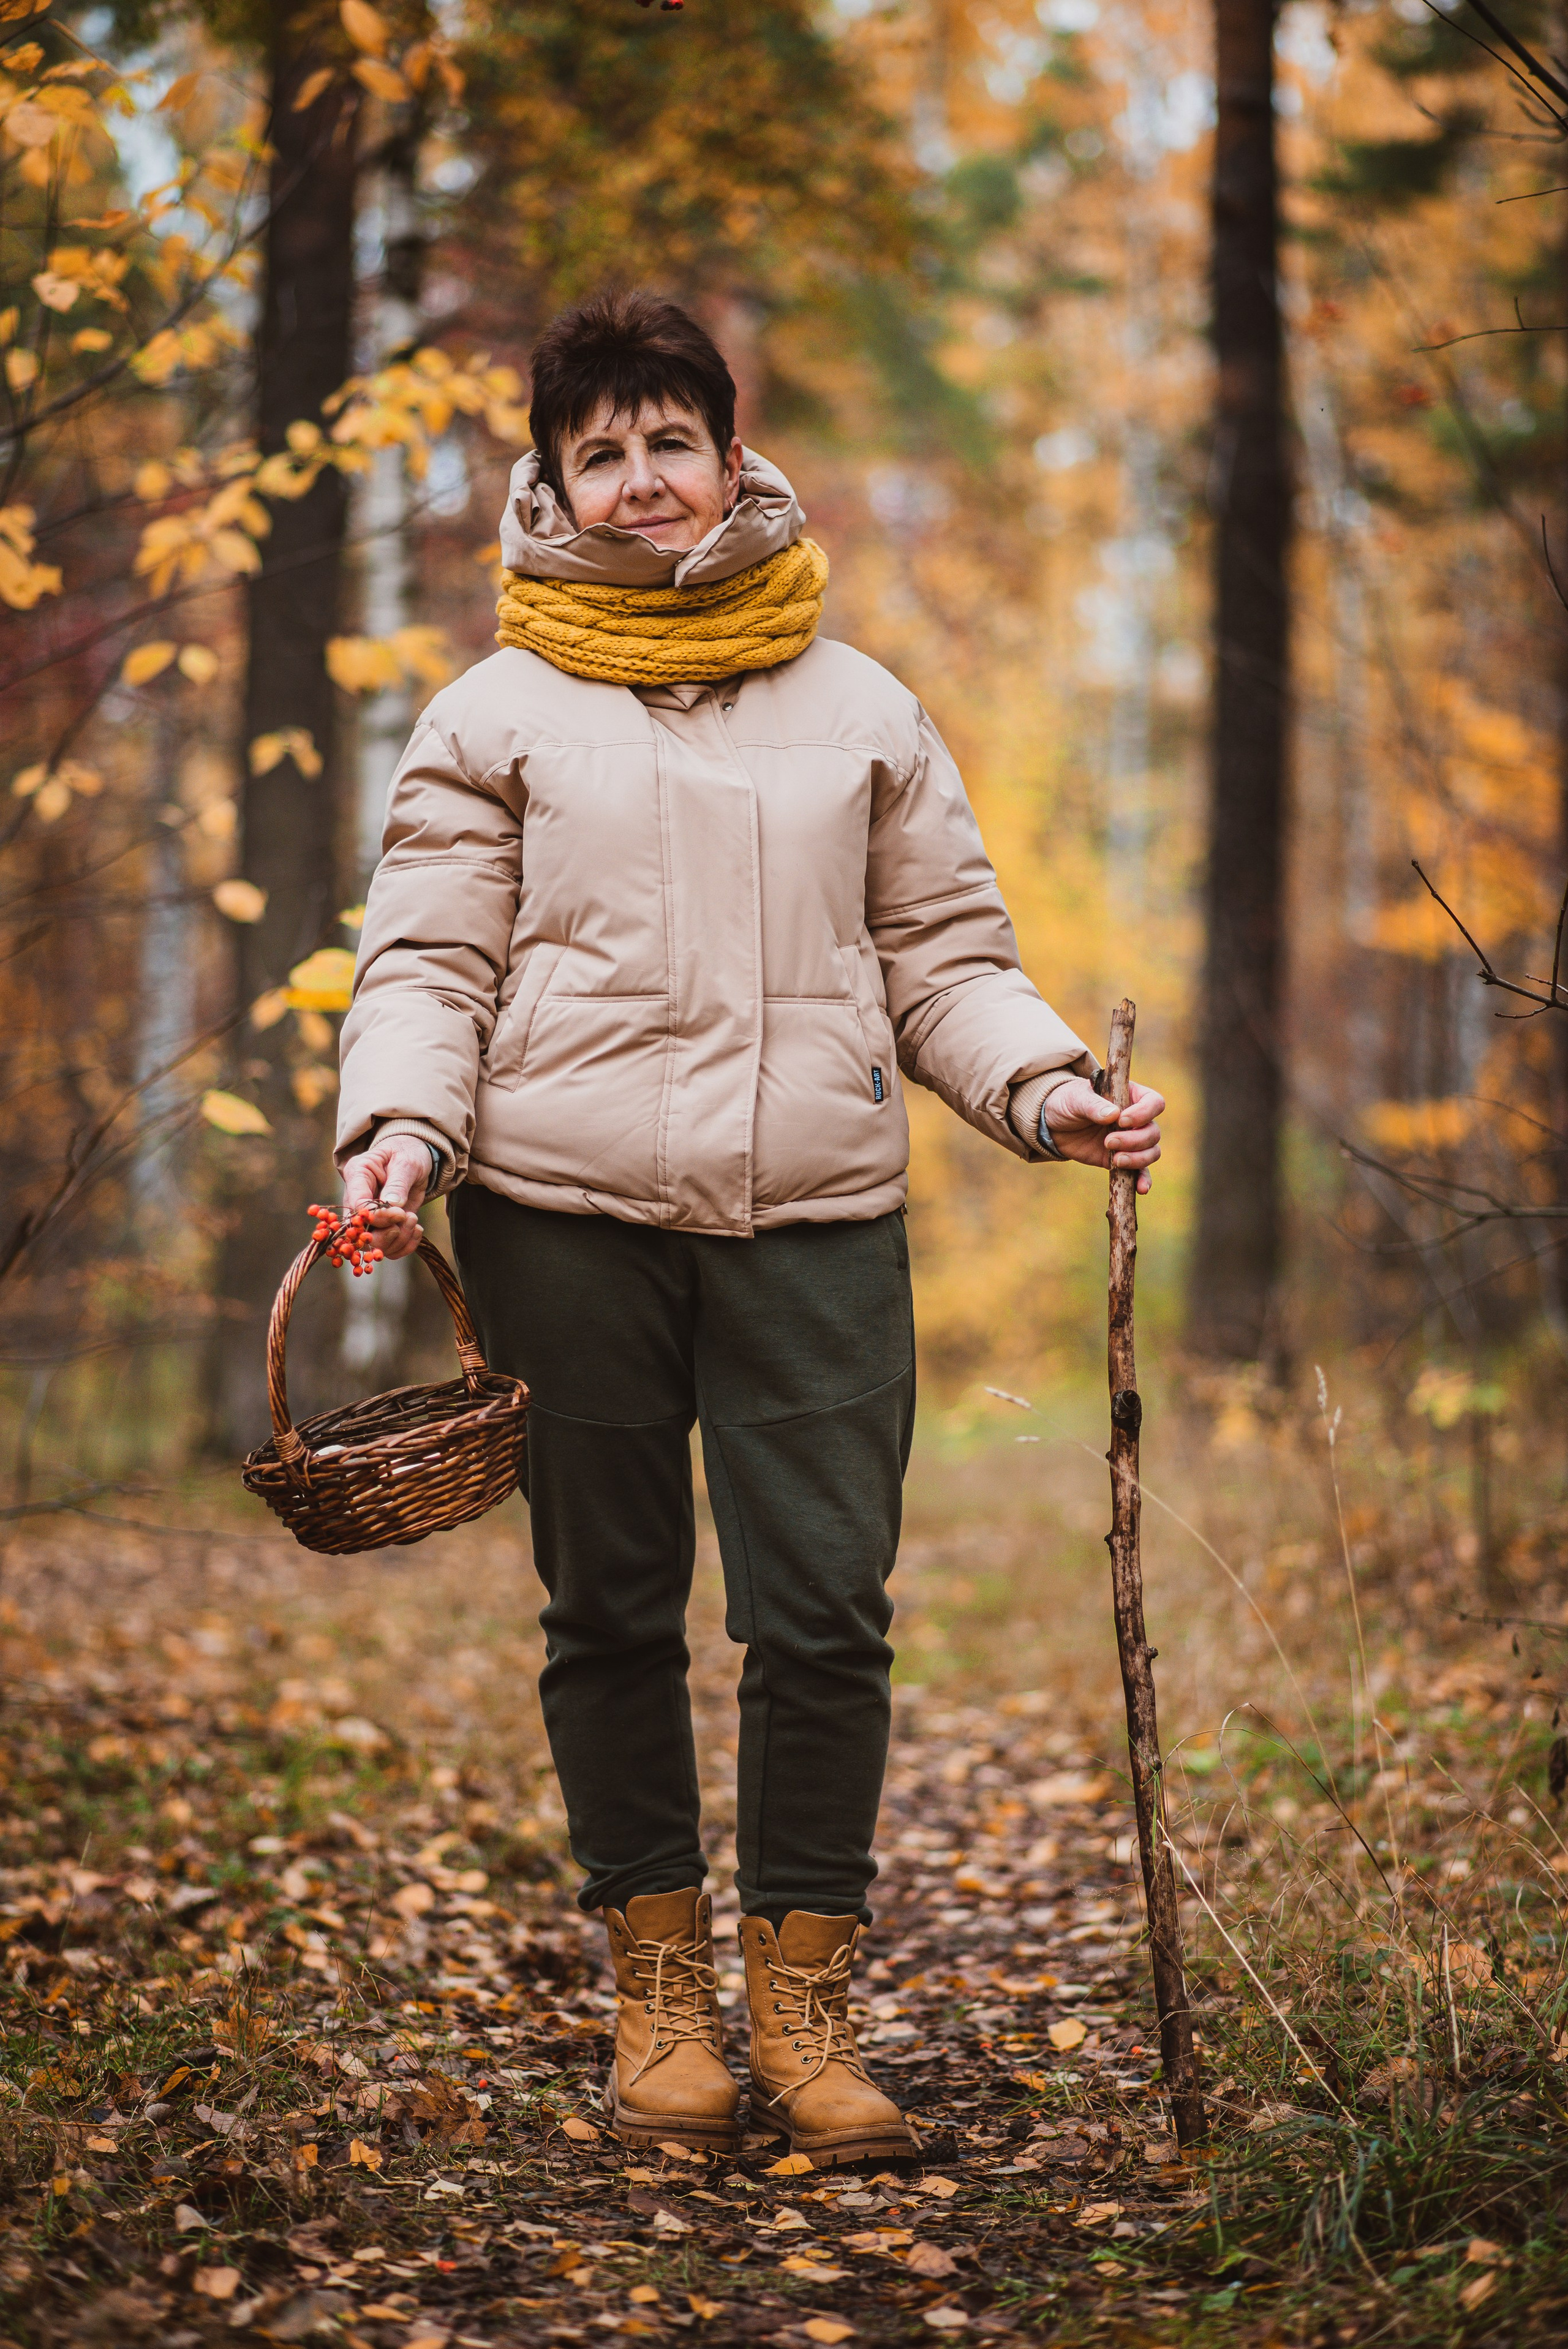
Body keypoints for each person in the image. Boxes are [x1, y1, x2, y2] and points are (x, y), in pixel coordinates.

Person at [336, 291, 1163, 2166]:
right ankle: (656, 1990)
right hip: (567, 1221)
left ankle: (803, 1997)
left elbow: (944, 957)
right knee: (610, 1610)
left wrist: (1045, 1089)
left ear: (731, 452)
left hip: (818, 1224)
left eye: (668, 442)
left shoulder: (860, 703)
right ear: (552, 483)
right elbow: (430, 960)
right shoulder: (493, 711)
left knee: (823, 1614)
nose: (640, 482)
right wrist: (398, 1130)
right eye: (599, 453)